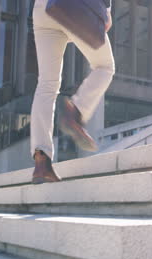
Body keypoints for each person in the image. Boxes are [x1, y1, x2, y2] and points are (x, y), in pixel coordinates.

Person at [30, 0, 114, 184]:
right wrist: (107, 8)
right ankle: (75, 112)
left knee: (46, 85)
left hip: (42, 10)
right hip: (74, 6)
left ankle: (41, 163)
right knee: (105, 67)